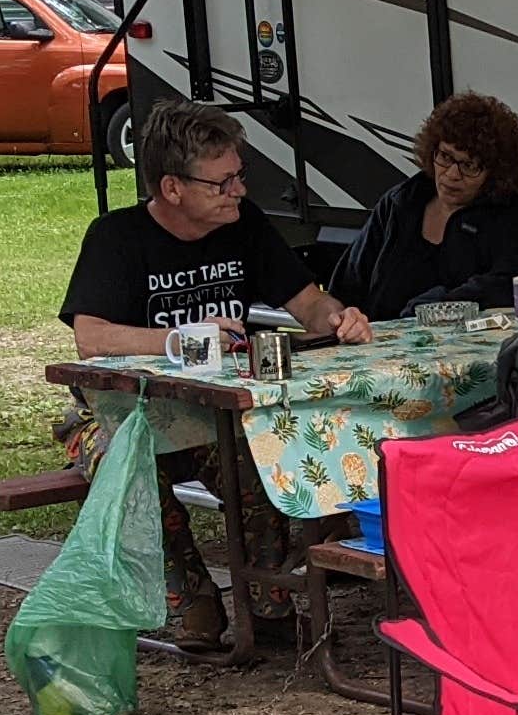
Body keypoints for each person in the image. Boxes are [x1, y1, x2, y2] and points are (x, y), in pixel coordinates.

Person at [58, 101, 371, 642]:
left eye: (240, 177)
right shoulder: (116, 237)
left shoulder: (243, 226)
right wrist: (177, 341)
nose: (239, 192)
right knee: (130, 469)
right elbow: (91, 336)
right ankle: (193, 601)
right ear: (172, 188)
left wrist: (341, 317)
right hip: (118, 417)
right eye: (222, 183)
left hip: (210, 414)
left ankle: (269, 607)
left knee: (260, 463)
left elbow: (306, 301)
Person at [337, 91, 518, 318]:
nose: (452, 174)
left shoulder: (513, 216)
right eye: (446, 157)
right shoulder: (400, 202)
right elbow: (347, 286)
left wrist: (444, 303)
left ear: (495, 173)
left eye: (469, 165)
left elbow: (511, 283)